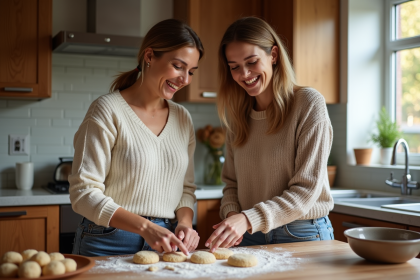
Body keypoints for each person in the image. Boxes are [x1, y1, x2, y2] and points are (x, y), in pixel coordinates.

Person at [68, 19, 204, 257]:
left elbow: (186, 187)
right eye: (178, 66)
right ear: (149, 56)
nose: (185, 79)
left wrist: (185, 222)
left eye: (191, 71)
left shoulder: (182, 117)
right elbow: (83, 194)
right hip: (107, 240)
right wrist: (145, 228)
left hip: (166, 239)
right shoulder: (107, 110)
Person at [206, 17, 334, 251]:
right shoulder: (237, 117)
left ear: (273, 55)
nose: (244, 74)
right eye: (234, 67)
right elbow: (231, 184)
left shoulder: (308, 103)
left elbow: (305, 191)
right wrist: (233, 219)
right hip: (249, 235)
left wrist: (245, 219)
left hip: (301, 233)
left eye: (252, 62)